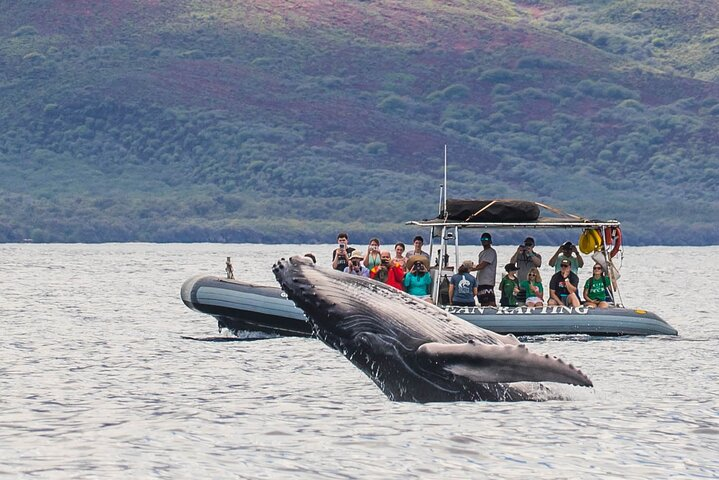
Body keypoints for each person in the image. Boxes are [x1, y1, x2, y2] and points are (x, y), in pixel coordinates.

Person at [472, 232, 497, 306]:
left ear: (490, 241)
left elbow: (482, 265)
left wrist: (469, 269)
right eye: (482, 239)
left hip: (487, 282)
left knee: (490, 302)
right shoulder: (482, 253)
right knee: (483, 302)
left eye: (486, 239)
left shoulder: (491, 252)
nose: (484, 240)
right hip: (480, 282)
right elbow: (479, 266)